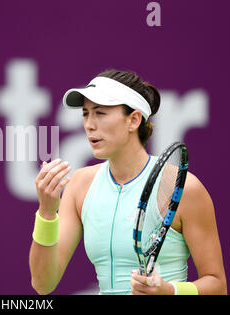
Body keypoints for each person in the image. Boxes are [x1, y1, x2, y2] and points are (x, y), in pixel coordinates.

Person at [29, 70, 227, 295]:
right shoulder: (79, 185)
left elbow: (217, 285)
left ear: (133, 120)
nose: (89, 125)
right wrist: (46, 213)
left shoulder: (183, 188)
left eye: (100, 113)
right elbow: (42, 283)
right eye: (85, 114)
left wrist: (170, 291)